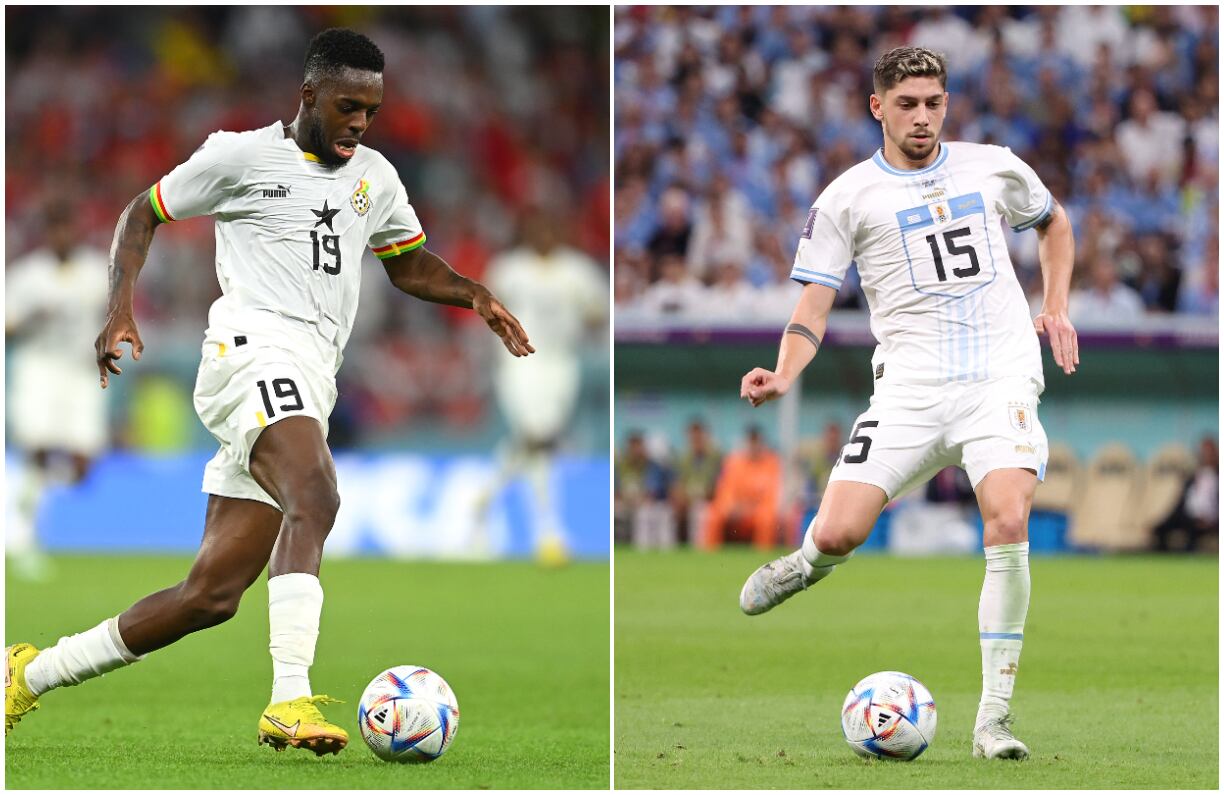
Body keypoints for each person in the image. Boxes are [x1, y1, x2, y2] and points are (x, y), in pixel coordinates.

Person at [5, 29, 534, 755]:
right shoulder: (240, 155)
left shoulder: (374, 177)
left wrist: (473, 294)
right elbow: (142, 212)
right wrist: (119, 306)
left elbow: (407, 264)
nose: (359, 122)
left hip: (309, 375)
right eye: (348, 105)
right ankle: (289, 698)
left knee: (209, 597)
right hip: (248, 352)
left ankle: (29, 673)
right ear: (309, 93)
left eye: (371, 111)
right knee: (316, 493)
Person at [737, 47, 1078, 761]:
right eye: (906, 104)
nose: (922, 117)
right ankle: (804, 563)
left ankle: (992, 721)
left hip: (1000, 377)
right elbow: (814, 303)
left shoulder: (993, 166)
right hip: (911, 389)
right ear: (877, 107)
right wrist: (786, 368)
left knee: (1008, 517)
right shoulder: (847, 197)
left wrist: (1056, 307)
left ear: (946, 103)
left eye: (933, 102)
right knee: (838, 533)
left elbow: (1054, 223)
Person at [483, 207, 607, 565]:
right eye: (537, 229)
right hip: (517, 364)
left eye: (551, 229)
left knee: (539, 440)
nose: (544, 236)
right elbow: (487, 311)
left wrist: (580, 327)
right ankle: (547, 531)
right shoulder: (509, 269)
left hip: (560, 365)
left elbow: (597, 314)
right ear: (526, 233)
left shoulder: (578, 271)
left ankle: (484, 499)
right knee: (536, 434)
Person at [4, 204, 110, 580]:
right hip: (40, 368)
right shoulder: (27, 276)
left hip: (82, 372)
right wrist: (34, 316)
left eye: (68, 228)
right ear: (47, 233)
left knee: (84, 464)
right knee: (38, 448)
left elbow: (114, 312)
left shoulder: (97, 271)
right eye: (56, 229)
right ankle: (24, 535)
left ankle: (25, 499)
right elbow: (8, 328)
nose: (62, 236)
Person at [701, 426, 782, 550]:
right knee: (713, 514)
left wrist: (750, 508)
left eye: (756, 441)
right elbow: (725, 491)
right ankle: (711, 554)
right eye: (751, 441)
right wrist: (732, 507)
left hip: (757, 511)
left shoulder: (771, 463)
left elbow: (772, 496)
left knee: (766, 518)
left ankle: (763, 557)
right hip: (735, 509)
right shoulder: (734, 462)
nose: (753, 445)